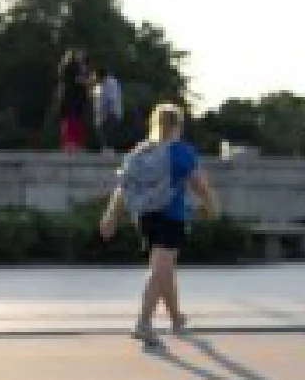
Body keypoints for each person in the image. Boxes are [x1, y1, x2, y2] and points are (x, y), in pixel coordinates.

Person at [97, 103, 218, 346]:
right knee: (160, 270)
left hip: (144, 216)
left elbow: (124, 187)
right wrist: (211, 205)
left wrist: (110, 215)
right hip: (171, 216)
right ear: (178, 126)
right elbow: (198, 184)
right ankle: (143, 323)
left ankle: (176, 318)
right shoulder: (180, 151)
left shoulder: (140, 151)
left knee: (165, 267)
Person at [53, 49, 91, 152]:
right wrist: (86, 80)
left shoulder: (69, 67)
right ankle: (71, 144)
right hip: (73, 98)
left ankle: (71, 144)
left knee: (72, 121)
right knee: (72, 121)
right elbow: (79, 81)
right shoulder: (72, 67)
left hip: (72, 98)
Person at [91, 67, 125, 151]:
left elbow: (111, 99)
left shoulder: (111, 83)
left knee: (109, 135)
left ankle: (110, 151)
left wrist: (105, 113)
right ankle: (105, 150)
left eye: (95, 76)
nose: (94, 78)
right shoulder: (98, 85)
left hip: (111, 114)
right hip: (101, 115)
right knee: (102, 137)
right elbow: (96, 99)